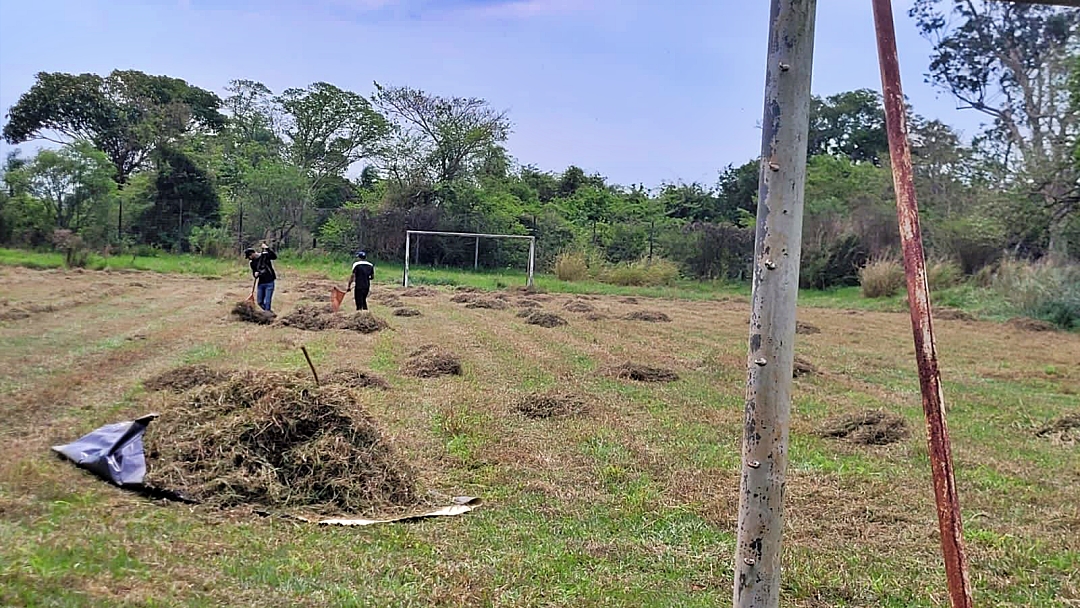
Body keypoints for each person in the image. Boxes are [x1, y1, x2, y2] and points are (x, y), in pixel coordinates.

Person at [245, 242, 278, 312]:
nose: (249, 258)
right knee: (260, 302)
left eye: (249, 256)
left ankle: (267, 315)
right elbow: (254, 273)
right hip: (261, 283)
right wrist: (255, 274)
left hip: (269, 282)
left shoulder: (265, 256)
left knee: (267, 301)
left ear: (253, 253)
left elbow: (274, 257)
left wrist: (267, 248)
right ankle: (269, 313)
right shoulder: (252, 263)